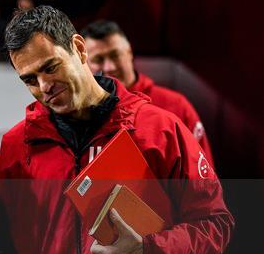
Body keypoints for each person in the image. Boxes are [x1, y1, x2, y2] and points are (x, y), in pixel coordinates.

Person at [0, 5, 234, 254]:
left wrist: (148, 253)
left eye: (50, 68)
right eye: (29, 79)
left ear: (78, 47)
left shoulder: (159, 130)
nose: (44, 86)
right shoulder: (18, 147)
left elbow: (215, 223)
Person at [82, 20, 214, 164]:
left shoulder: (176, 106)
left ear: (129, 52)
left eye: (115, 55)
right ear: (85, 63)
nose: (109, 67)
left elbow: (203, 175)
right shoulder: (80, 114)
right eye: (98, 59)